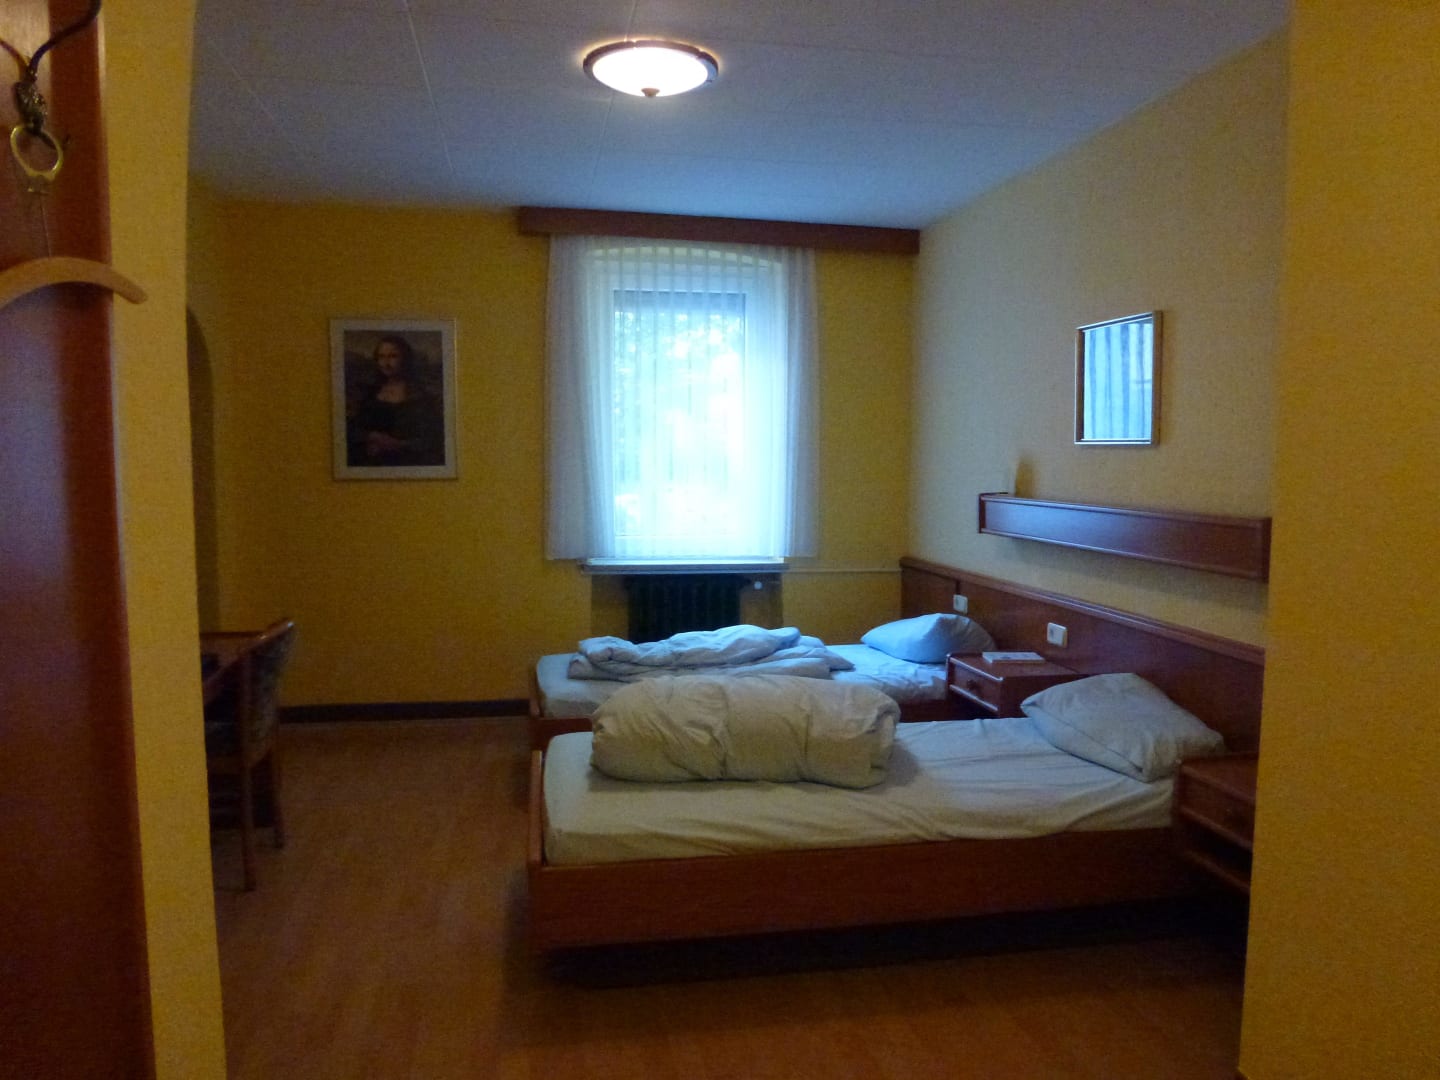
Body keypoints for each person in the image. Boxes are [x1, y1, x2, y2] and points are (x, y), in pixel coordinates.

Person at [346, 334, 445, 467]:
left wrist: (398, 445)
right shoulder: (369, 393)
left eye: (393, 356)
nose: (386, 363)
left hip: (410, 464)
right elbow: (352, 428)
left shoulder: (421, 396)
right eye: (381, 357)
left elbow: (433, 438)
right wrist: (371, 437)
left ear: (405, 359)